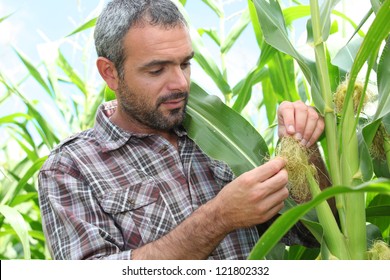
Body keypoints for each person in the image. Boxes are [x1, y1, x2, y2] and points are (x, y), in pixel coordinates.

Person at [38, 0, 325, 260]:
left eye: (185, 64)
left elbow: (314, 232)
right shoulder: (70, 167)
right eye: (156, 70)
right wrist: (220, 217)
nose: (180, 83)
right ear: (110, 73)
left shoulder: (224, 136)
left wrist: (302, 145)